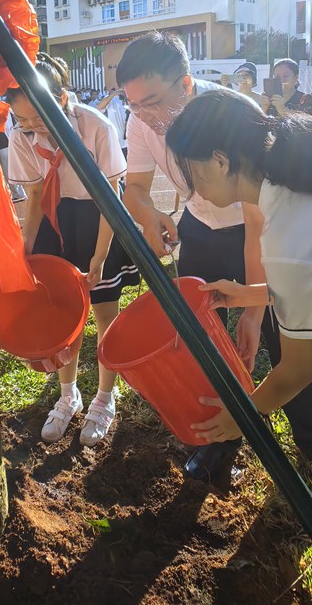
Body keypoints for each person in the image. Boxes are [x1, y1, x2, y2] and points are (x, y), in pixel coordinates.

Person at [115, 31, 287, 481]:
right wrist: (152, 215)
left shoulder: (231, 115)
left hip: (255, 232)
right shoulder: (140, 120)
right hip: (199, 228)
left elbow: (255, 221)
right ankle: (222, 440)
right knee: (196, 334)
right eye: (133, 105)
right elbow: (134, 188)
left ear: (186, 85)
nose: (146, 116)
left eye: (153, 101)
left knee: (273, 337)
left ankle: (288, 430)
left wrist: (250, 311)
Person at [165, 89, 312, 448]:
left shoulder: (284, 239)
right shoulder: (293, 185)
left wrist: (241, 414)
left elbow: (298, 369)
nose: (194, 191)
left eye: (192, 173)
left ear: (220, 161)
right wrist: (251, 295)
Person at [7, 53, 139, 447]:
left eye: (37, 118)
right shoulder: (22, 137)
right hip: (54, 219)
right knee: (64, 315)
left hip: (99, 220)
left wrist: (99, 258)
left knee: (103, 312)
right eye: (23, 120)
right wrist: (25, 252)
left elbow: (110, 198)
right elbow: (33, 197)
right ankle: (68, 395)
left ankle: (103, 396)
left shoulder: (95, 126)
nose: (31, 128)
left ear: (61, 98)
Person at [97, 89, 128, 157]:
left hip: (132, 143)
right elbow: (99, 107)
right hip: (116, 143)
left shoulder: (135, 98)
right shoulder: (112, 98)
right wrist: (114, 94)